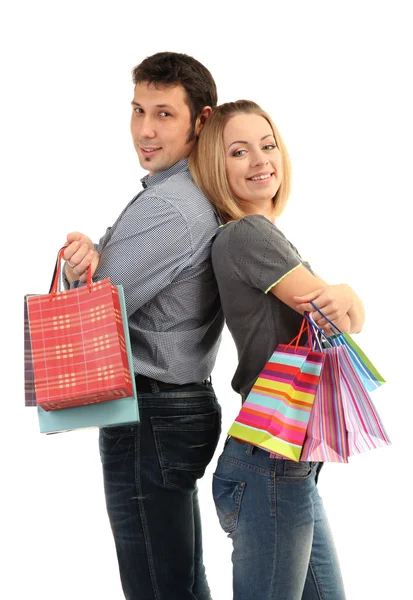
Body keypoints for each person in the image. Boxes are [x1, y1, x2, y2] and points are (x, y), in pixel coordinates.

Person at [62, 52, 224, 600]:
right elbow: (109, 274)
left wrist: (77, 263)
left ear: (201, 121)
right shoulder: (186, 193)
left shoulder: (173, 206)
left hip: (151, 415)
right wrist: (93, 254)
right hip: (172, 409)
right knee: (178, 581)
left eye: (163, 114)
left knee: (157, 588)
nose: (145, 131)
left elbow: (89, 308)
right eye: (137, 111)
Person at [189, 99, 366, 599]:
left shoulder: (266, 237)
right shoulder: (247, 235)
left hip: (287, 461)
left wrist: (349, 299)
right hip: (268, 462)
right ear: (214, 169)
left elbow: (348, 318)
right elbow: (336, 316)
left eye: (267, 146)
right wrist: (347, 294)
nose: (260, 160)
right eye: (239, 152)